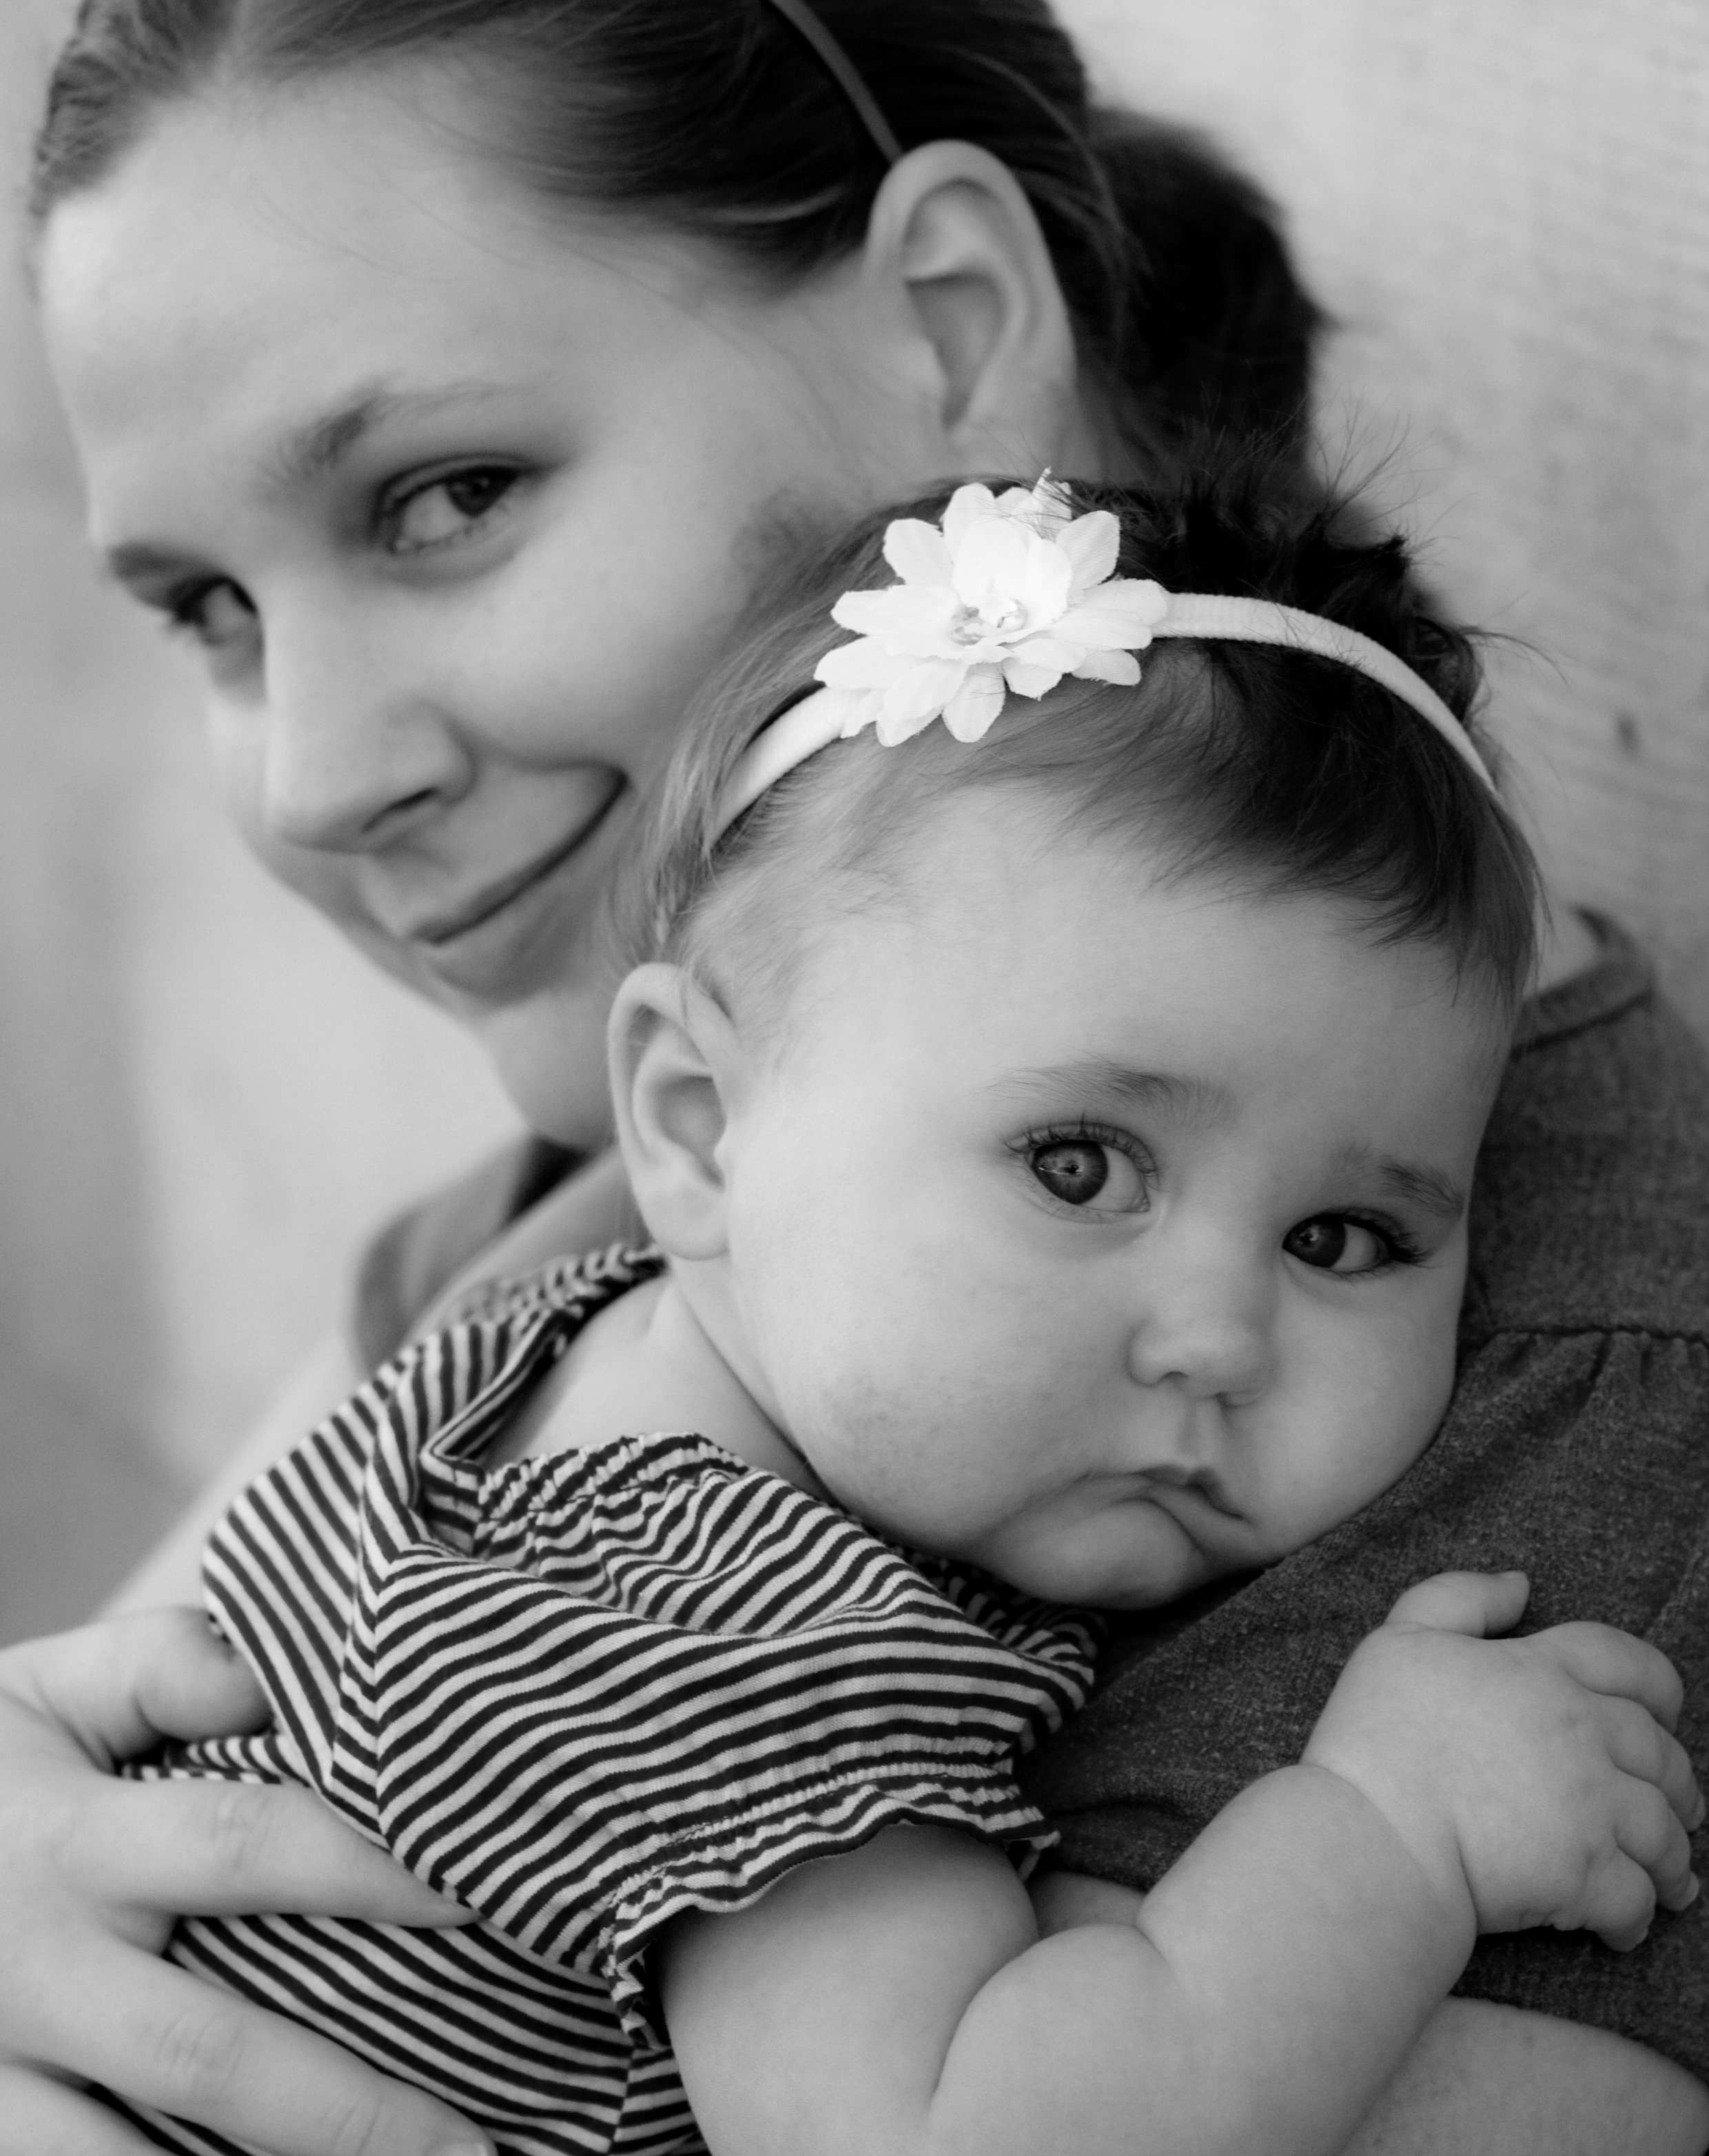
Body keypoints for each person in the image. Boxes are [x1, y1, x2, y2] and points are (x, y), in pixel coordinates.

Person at [3, 0, 1704, 2150]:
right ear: (694, 1121)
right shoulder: (603, 1245)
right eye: (205, 609)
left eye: (446, 495)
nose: (314, 781)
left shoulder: (1568, 1431)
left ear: (955, 327)